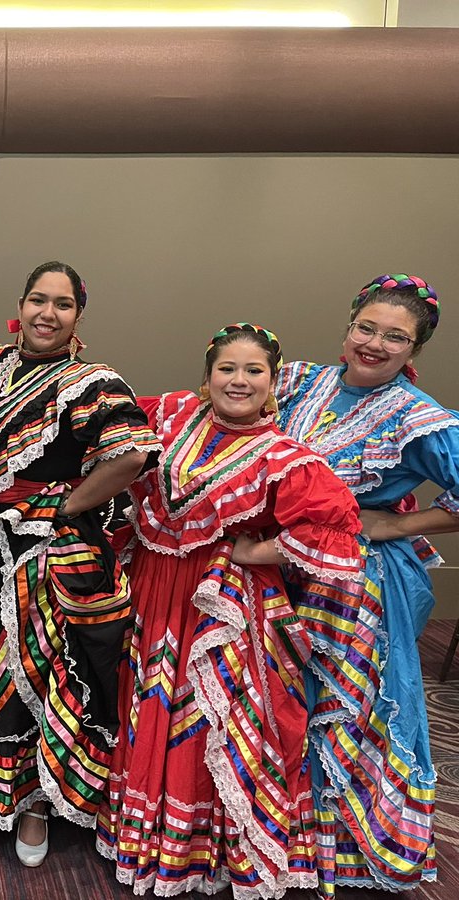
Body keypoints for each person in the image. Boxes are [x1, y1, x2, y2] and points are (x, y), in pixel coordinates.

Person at [0, 260, 161, 867]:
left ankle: (35, 803)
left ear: (78, 315)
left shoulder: (94, 381)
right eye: (38, 300)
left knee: (36, 665)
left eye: (63, 304)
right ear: (20, 305)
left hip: (42, 546)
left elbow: (128, 459)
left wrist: (65, 505)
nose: (49, 313)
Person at [95, 323, 364, 897]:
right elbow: (99, 435)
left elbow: (337, 528)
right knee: (146, 701)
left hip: (221, 604)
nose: (238, 381)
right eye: (227, 369)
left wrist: (256, 549)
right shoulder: (166, 415)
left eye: (253, 371)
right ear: (207, 373)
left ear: (272, 383)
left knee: (208, 717)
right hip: (150, 587)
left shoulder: (284, 456)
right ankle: (143, 836)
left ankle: (199, 851)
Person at [274, 274, 456, 894]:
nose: (374, 343)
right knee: (281, 697)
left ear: (415, 351)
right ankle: (274, 837)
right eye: (367, 328)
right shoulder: (298, 379)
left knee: (348, 707)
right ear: (349, 325)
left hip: (356, 586)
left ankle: (347, 847)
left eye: (395, 337)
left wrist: (393, 523)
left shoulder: (419, 417)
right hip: (282, 567)